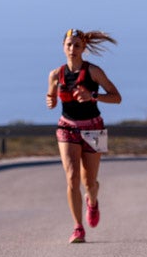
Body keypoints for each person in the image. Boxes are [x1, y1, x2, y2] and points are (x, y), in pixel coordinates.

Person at [44, 28, 122, 244]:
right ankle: (78, 227)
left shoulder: (94, 72)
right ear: (63, 47)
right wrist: (50, 101)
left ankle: (93, 201)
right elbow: (51, 97)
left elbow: (117, 97)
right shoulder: (55, 74)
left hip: (94, 128)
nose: (72, 49)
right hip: (67, 128)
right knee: (72, 177)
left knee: (89, 182)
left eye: (77, 45)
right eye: (69, 45)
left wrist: (92, 96)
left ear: (83, 48)